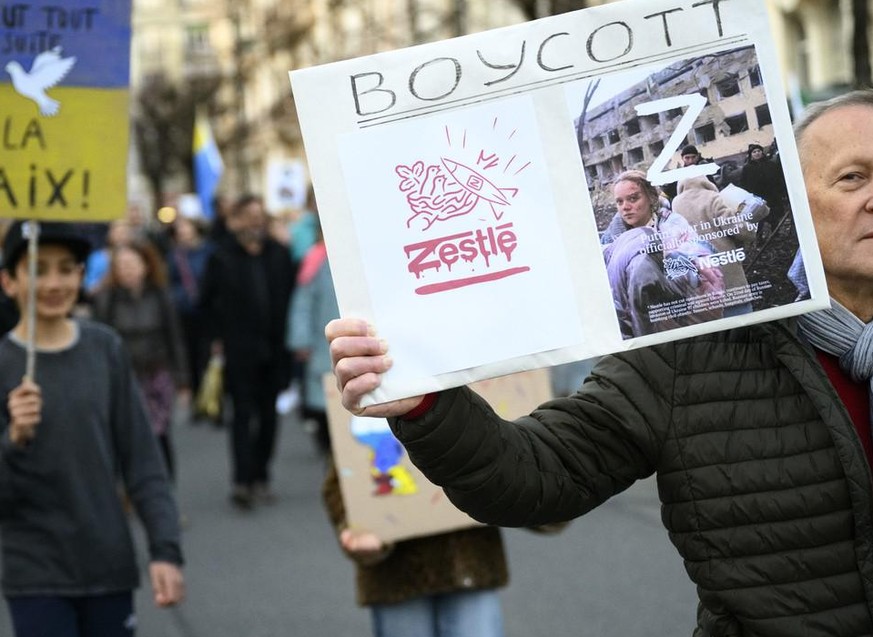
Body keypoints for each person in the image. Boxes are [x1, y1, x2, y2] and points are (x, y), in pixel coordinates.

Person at [328, 89, 873, 635]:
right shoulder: (691, 352)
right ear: (797, 201)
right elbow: (537, 473)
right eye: (854, 177)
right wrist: (427, 401)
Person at [0, 221, 184, 637]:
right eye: (38, 269)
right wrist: (14, 438)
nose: (53, 282)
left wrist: (165, 549)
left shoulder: (105, 348)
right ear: (9, 282)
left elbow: (142, 460)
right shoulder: (5, 364)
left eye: (66, 268)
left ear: (82, 276)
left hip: (107, 564)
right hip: (35, 574)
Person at [323, 459, 509, 637]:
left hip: (470, 563)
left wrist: (530, 494)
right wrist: (359, 526)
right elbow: (346, 467)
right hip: (397, 574)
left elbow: (515, 452)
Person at [200, 193, 295, 509]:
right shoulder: (221, 258)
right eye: (248, 216)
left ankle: (261, 476)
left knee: (269, 416)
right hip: (238, 352)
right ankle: (241, 480)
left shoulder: (279, 255)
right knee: (242, 415)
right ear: (235, 221)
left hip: (275, 350)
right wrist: (215, 340)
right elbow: (206, 304)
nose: (255, 223)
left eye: (259, 216)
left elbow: (291, 299)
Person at [93, 241, 190, 482]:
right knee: (122, 435)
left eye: (131, 264)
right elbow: (98, 344)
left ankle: (164, 491)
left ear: (146, 266)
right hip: (122, 377)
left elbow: (175, 339)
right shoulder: (106, 299)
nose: (125, 270)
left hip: (156, 375)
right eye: (120, 265)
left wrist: (183, 380)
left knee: (157, 435)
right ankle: (126, 490)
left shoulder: (161, 296)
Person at [600, 170, 722, 338]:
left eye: (633, 198)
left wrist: (678, 263)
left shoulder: (674, 225)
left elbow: (704, 265)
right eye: (619, 202)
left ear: (651, 197)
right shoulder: (611, 240)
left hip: (682, 323)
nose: (625, 207)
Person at [671, 176, 769, 317]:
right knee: (742, 321)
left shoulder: (676, 203)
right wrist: (748, 223)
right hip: (725, 268)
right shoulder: (713, 198)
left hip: (697, 271)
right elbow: (738, 230)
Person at [287, 219, 339, 456]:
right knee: (327, 403)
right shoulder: (316, 260)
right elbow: (303, 303)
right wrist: (300, 340)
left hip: (359, 341)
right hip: (324, 345)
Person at [166, 217, 213, 405]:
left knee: (208, 354)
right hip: (185, 311)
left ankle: (211, 395)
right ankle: (196, 394)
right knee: (190, 353)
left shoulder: (208, 251)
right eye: (180, 229)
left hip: (207, 310)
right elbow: (170, 281)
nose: (184, 232)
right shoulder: (175, 256)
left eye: (187, 227)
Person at [739, 142, 788, 243]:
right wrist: (748, 196)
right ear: (751, 155)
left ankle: (775, 234)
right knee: (758, 218)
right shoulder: (747, 168)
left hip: (772, 195)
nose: (757, 153)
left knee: (774, 215)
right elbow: (744, 183)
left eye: (758, 151)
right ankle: (759, 238)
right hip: (757, 197)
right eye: (754, 152)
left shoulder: (770, 164)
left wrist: (781, 192)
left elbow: (778, 178)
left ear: (762, 152)